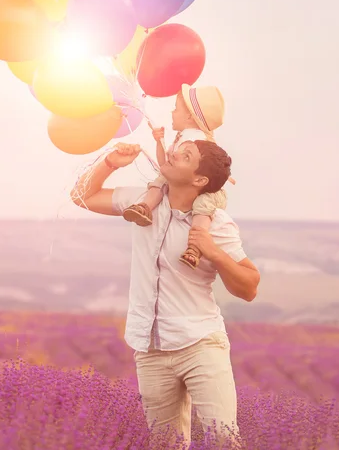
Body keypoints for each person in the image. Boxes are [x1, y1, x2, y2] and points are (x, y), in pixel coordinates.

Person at [71, 139, 260, 449]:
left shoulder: (217, 225)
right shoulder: (141, 203)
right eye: (178, 149)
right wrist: (110, 163)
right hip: (150, 349)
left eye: (185, 156)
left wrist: (214, 253)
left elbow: (250, 287)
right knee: (165, 446)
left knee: (224, 441)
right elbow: (81, 196)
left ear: (199, 180)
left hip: (200, 344)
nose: (172, 153)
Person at [123, 84, 228, 270]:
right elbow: (165, 165)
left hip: (206, 188)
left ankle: (194, 247)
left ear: (189, 116)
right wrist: (159, 141)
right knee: (160, 181)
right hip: (188, 178)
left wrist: (162, 148)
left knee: (203, 208)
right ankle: (146, 209)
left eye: (176, 108)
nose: (172, 112)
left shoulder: (194, 142)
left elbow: (168, 165)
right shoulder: (184, 138)